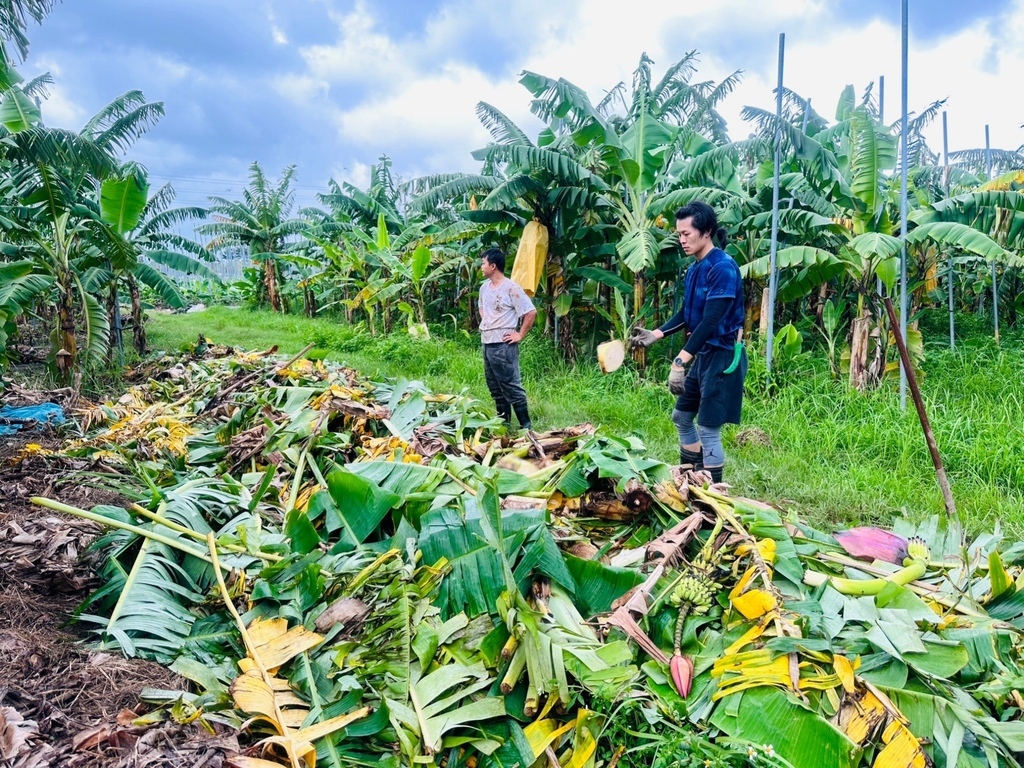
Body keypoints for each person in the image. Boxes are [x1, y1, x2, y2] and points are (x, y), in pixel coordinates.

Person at [630, 201, 748, 484]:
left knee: (708, 429)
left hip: (722, 357)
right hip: (704, 353)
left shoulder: (723, 268)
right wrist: (655, 334)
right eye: (679, 234)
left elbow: (710, 321)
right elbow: (688, 313)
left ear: (706, 231)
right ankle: (691, 480)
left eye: (687, 233)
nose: (682, 240)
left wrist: (680, 360)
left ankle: (715, 490)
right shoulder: (695, 268)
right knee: (682, 417)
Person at [478, 246, 537, 431]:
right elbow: (482, 307)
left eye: (483, 263)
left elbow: (530, 312)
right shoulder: (484, 288)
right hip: (487, 342)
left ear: (493, 266)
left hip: (503, 344)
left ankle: (525, 425)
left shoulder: (511, 288)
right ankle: (504, 424)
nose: (481, 266)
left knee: (511, 385)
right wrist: (488, 320)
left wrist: (519, 334)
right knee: (495, 386)